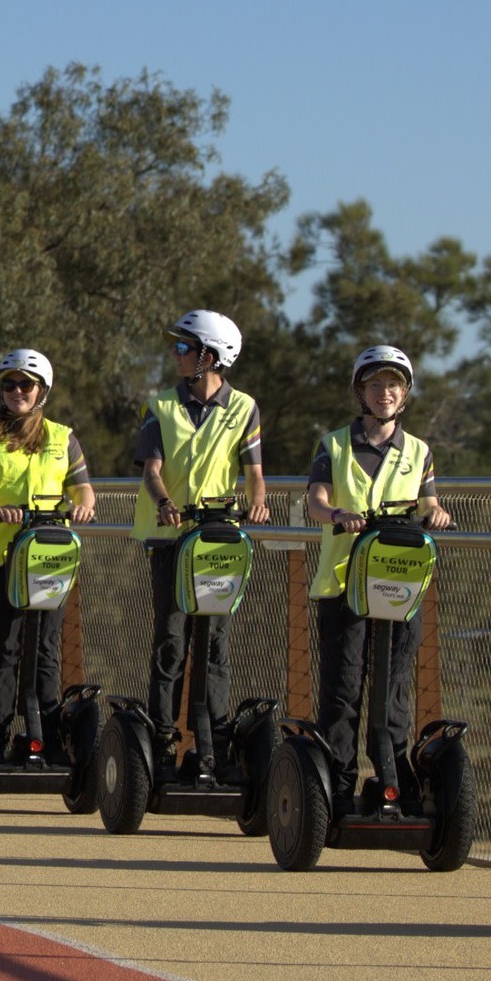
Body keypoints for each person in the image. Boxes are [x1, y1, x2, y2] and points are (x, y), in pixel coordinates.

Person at [306, 347, 457, 814]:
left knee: (392, 690)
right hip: (343, 586)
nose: (385, 393)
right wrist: (335, 514)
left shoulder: (418, 451)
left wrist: (437, 513)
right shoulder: (334, 445)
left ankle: (392, 778)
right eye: (375, 385)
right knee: (343, 688)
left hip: (398, 588)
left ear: (405, 394)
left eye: (394, 385)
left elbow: (427, 501)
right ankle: (337, 783)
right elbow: (315, 498)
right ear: (361, 392)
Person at [131, 310, 268, 784]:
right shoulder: (161, 406)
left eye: (185, 348)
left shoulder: (244, 407)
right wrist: (165, 502)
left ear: (211, 356)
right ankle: (162, 740)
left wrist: (259, 503)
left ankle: (212, 744)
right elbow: (151, 469)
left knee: (216, 646)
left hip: (217, 539)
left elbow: (253, 470)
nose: (177, 355)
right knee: (171, 641)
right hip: (170, 537)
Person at [0, 350, 96, 763]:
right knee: (6, 643)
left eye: (25, 385)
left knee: (48, 645)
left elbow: (82, 487)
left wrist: (85, 505)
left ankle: (48, 736)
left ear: (42, 391)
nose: (16, 392)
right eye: (9, 384)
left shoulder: (62, 437)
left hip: (49, 555)